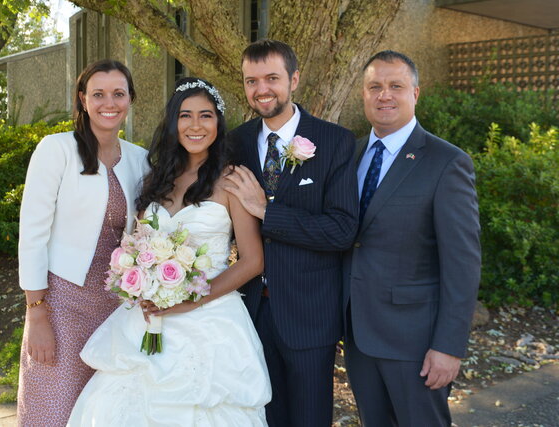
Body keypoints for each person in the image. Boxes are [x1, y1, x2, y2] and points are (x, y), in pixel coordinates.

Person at [67, 77, 271, 426]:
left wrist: (193, 299)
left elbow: (253, 261)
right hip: (149, 315)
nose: (195, 126)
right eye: (185, 115)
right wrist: (140, 283)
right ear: (173, 122)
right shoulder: (156, 177)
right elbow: (137, 244)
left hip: (210, 319)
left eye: (205, 116)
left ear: (218, 124)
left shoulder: (231, 179)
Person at [343, 50, 481, 426]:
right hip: (358, 334)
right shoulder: (349, 155)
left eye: (395, 86)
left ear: (415, 93)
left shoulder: (446, 163)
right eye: (375, 86)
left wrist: (449, 347)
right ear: (363, 94)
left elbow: (463, 264)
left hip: (415, 342)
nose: (384, 95)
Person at [224, 39, 359, 426]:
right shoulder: (236, 143)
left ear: (294, 79)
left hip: (309, 312)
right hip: (249, 311)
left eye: (272, 78)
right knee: (261, 417)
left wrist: (268, 212)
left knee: (309, 418)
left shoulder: (335, 141)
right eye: (252, 81)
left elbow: (342, 230)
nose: (261, 89)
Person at [16, 59, 148, 426]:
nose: (110, 102)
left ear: (130, 99)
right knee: (53, 405)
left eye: (118, 94)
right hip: (61, 302)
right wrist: (37, 312)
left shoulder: (140, 159)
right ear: (82, 99)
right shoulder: (55, 149)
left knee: (103, 410)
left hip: (115, 307)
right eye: (99, 94)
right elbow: (33, 234)